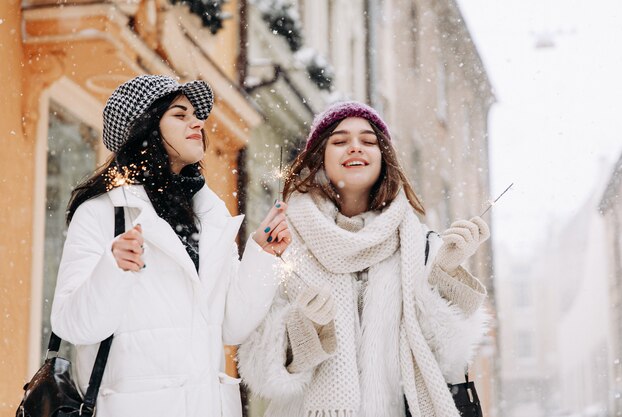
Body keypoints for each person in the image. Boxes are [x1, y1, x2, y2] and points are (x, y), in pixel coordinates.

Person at [51, 75, 290, 417]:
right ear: (146, 128)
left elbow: (232, 326)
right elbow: (72, 324)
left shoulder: (209, 214)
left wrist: (262, 255)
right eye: (179, 114)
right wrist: (113, 268)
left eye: (196, 114)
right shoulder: (102, 213)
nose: (197, 122)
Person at [238, 101, 490, 417]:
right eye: (340, 141)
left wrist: (448, 276)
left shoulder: (419, 245)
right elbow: (261, 371)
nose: (355, 148)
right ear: (320, 158)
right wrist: (305, 330)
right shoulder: (285, 243)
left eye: (368, 141)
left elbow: (447, 357)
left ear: (384, 158)